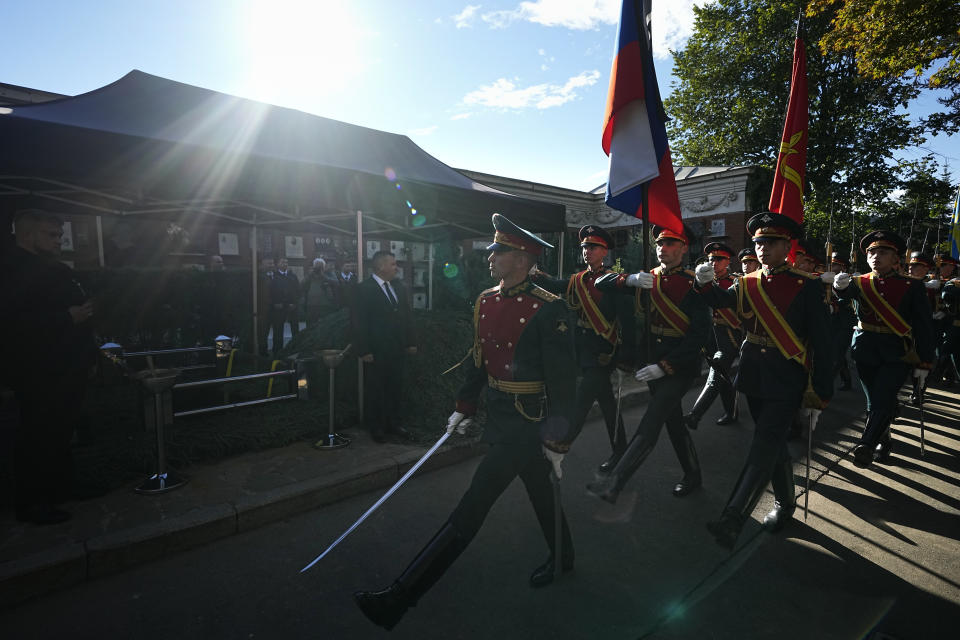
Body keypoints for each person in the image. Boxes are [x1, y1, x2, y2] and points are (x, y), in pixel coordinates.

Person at [353, 215, 577, 630]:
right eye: (492, 250)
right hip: (501, 414)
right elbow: (480, 360)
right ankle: (565, 556)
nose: (491, 257)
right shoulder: (486, 300)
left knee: (472, 505)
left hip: (527, 424)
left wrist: (559, 442)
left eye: (500, 252)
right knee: (541, 490)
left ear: (524, 259)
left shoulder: (550, 308)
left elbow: (565, 383)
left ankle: (400, 598)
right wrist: (464, 404)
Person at [694, 212, 833, 549]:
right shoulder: (747, 281)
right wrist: (704, 283)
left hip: (788, 376)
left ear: (787, 245)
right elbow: (720, 301)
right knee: (772, 443)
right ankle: (786, 503)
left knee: (763, 443)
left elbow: (824, 344)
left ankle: (733, 517)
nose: (762, 248)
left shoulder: (808, 286)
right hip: (754, 373)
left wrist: (820, 394)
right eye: (758, 242)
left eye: (770, 242)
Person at [586, 225, 710, 503]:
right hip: (651, 362)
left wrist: (666, 365)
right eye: (660, 243)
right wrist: (628, 279)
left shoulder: (694, 283)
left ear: (683, 248)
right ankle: (693, 474)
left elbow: (699, 335)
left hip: (679, 366)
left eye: (670, 243)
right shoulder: (648, 278)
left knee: (653, 419)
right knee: (673, 421)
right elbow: (599, 283)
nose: (662, 248)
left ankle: (614, 483)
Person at [3, 209, 98, 525]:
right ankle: (32, 502)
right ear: (28, 235)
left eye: (60, 235)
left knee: (60, 431)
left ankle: (60, 488)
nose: (59, 241)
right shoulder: (11, 269)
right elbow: (13, 322)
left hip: (66, 364)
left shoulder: (49, 266)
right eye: (52, 235)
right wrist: (67, 317)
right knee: (38, 433)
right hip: (39, 368)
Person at [531, 224, 634, 473]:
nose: (588, 251)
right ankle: (622, 451)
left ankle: (561, 443)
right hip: (585, 350)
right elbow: (556, 285)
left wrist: (626, 358)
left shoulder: (613, 281)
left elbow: (629, 322)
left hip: (604, 352)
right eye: (585, 247)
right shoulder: (578, 280)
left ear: (605, 251)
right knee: (608, 405)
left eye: (594, 247)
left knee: (583, 397)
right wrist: (534, 275)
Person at [833, 231, 936, 467]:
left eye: (883, 252)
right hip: (865, 349)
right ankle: (885, 441)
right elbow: (845, 296)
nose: (875, 256)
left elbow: (923, 325)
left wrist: (924, 361)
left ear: (895, 259)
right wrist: (840, 288)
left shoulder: (912, 286)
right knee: (876, 402)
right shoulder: (859, 282)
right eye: (871, 252)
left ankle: (866, 444)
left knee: (883, 398)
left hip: (897, 351)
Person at [353, 250, 417, 442]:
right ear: (381, 266)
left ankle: (394, 424)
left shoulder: (398, 287)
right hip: (376, 350)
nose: (396, 267)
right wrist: (363, 350)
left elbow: (407, 316)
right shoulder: (363, 289)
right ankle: (377, 426)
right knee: (376, 390)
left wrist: (411, 341)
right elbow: (358, 321)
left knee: (395, 388)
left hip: (396, 348)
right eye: (393, 264)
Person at [684, 241, 743, 429]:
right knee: (724, 376)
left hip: (729, 334)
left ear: (727, 261)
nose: (714, 263)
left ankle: (695, 414)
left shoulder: (736, 282)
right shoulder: (703, 282)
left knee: (716, 372)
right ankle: (731, 412)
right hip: (709, 335)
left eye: (718, 259)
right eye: (711, 259)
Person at [829, 252, 856, 391]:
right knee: (837, 353)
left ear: (843, 268)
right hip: (831, 323)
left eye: (834, 265)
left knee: (837, 355)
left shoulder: (850, 282)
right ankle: (847, 381)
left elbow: (846, 299)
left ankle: (825, 387)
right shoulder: (827, 278)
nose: (831, 267)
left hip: (845, 323)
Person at [269, 257, 300, 355]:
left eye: (286, 262)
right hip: (278, 307)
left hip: (292, 307)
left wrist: (295, 303)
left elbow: (298, 291)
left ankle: (295, 349)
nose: (285, 264)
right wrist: (275, 303)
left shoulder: (293, 276)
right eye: (282, 262)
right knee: (278, 331)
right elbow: (271, 292)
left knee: (295, 330)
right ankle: (278, 352)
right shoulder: (274, 276)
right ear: (277, 264)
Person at [301, 257, 338, 327]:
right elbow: (302, 284)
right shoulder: (310, 275)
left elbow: (336, 283)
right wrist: (310, 275)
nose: (318, 268)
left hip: (325, 305)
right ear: (314, 266)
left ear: (323, 267)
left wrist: (324, 276)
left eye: (320, 266)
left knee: (325, 326)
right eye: (316, 266)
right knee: (310, 326)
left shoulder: (329, 273)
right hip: (311, 305)